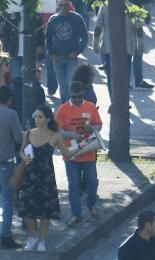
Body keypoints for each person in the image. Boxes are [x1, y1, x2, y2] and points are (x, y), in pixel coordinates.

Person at [18, 105, 70, 252]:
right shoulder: (28, 134)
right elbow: (21, 151)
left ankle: (42, 240)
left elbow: (67, 152)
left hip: (46, 177)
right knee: (27, 209)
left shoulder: (55, 135)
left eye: (40, 116)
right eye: (35, 116)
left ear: (47, 119)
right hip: (30, 176)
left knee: (45, 211)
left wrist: (82, 147)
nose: (36, 119)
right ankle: (33, 236)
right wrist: (24, 157)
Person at [56, 82, 103, 227]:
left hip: (88, 152)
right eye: (74, 97)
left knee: (93, 181)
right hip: (71, 154)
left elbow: (99, 125)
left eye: (80, 97)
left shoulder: (90, 106)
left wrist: (92, 127)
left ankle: (91, 204)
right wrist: (73, 135)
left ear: (83, 94)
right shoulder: (62, 109)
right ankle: (76, 214)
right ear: (70, 94)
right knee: (74, 185)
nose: (77, 100)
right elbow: (57, 131)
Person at [44, 0, 88, 103]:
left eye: (65, 5)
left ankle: (70, 104)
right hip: (57, 58)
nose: (63, 7)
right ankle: (64, 104)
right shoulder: (53, 19)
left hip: (71, 57)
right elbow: (48, 38)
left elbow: (85, 37)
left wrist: (77, 51)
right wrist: (51, 53)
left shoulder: (77, 18)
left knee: (70, 82)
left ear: (70, 4)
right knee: (62, 85)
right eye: (60, 5)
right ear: (58, 6)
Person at [0, 85, 22, 249]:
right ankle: (5, 235)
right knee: (7, 200)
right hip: (5, 162)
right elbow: (18, 138)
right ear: (9, 98)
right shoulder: (11, 114)